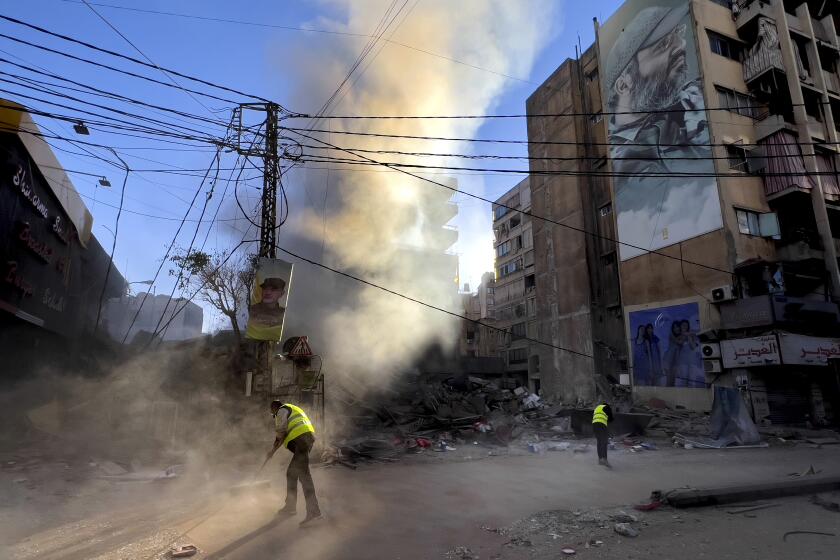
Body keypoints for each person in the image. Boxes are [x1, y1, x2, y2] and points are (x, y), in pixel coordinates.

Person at [269, 400, 322, 527]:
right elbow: (286, 432)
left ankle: (314, 512)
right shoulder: (292, 409)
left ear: (275, 407)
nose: (273, 414)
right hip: (305, 441)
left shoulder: (281, 410)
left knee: (304, 476)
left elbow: (281, 431)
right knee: (291, 474)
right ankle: (291, 506)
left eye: (272, 411)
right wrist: (273, 451)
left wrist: (272, 451)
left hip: (301, 442)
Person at [592, 403, 615, 468]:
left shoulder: (597, 408)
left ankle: (600, 459)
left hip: (594, 425)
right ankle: (605, 459)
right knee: (604, 441)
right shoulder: (606, 407)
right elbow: (611, 419)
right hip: (601, 424)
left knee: (599, 441)